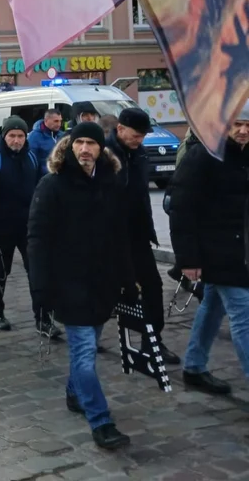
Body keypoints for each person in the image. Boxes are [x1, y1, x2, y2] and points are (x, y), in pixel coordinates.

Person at [28, 123, 134, 450]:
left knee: (87, 349)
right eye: (80, 142)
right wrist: (41, 289)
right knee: (85, 354)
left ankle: (75, 393)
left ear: (101, 149)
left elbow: (121, 238)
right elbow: (37, 239)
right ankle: (101, 422)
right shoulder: (52, 185)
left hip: (102, 285)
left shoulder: (110, 184)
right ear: (70, 146)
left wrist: (128, 280)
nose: (85, 149)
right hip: (69, 285)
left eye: (91, 143)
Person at [170, 103, 249, 395]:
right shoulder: (203, 155)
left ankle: (194, 366)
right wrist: (187, 258)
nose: (242, 131)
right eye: (237, 124)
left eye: (248, 126)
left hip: (241, 251)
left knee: (213, 308)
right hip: (217, 252)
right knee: (245, 318)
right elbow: (182, 208)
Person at [106, 108, 179, 364]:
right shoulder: (104, 154)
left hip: (137, 234)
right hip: (109, 237)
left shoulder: (139, 154)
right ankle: (86, 333)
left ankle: (153, 341)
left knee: (153, 286)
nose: (139, 140)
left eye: (142, 136)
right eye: (135, 135)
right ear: (120, 129)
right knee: (108, 290)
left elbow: (141, 195)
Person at [0, 116, 42, 332]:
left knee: (37, 272)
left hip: (28, 228)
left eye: (20, 136)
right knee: (2, 272)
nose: (16, 140)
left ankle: (43, 318)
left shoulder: (31, 158)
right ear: (4, 137)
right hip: (1, 229)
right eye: (12, 135)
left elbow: (39, 190)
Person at [29, 109, 63, 175]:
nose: (59, 124)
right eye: (56, 121)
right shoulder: (34, 137)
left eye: (60, 121)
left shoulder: (61, 135)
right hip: (43, 178)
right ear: (46, 120)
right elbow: (31, 162)